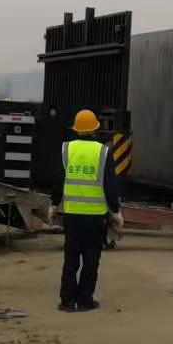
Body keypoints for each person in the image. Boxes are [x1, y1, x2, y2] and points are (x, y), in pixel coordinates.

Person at [53, 108, 121, 313]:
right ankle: (85, 301)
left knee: (71, 259)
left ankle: (67, 301)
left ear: (76, 129)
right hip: (95, 217)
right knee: (91, 260)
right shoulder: (104, 152)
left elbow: (58, 182)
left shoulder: (66, 149)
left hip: (72, 215)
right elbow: (110, 185)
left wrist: (53, 205)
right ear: (95, 129)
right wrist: (116, 211)